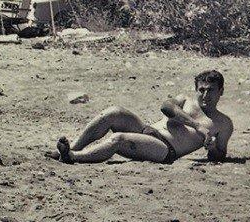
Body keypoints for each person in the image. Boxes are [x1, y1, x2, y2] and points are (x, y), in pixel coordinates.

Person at [50, 70, 233, 165]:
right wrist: (197, 126)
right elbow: (166, 107)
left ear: (221, 91)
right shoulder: (185, 100)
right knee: (114, 112)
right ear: (196, 90)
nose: (205, 95)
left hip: (165, 149)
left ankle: (74, 156)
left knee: (119, 139)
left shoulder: (223, 123)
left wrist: (213, 146)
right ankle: (68, 149)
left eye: (211, 90)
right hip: (148, 130)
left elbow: (219, 155)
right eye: (201, 90)